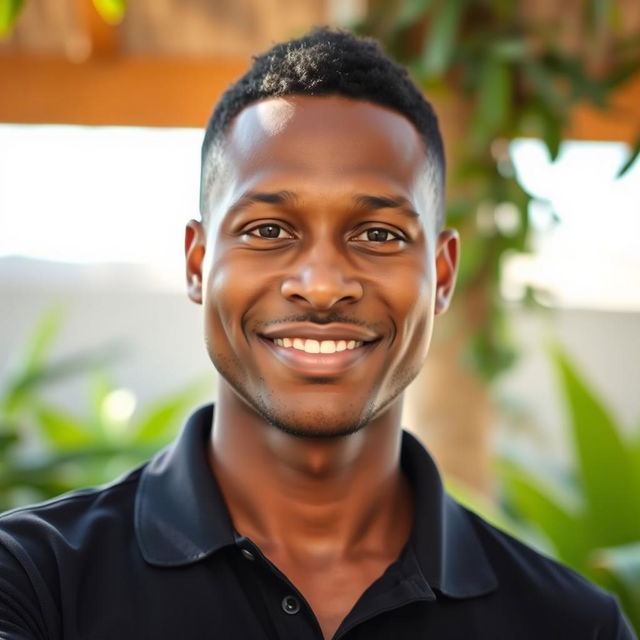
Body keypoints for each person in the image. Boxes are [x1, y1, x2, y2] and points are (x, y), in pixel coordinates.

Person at [0, 28, 634, 640]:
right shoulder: (32, 582)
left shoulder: (574, 625)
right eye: (269, 230)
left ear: (441, 277)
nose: (323, 284)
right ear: (197, 264)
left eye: (379, 235)